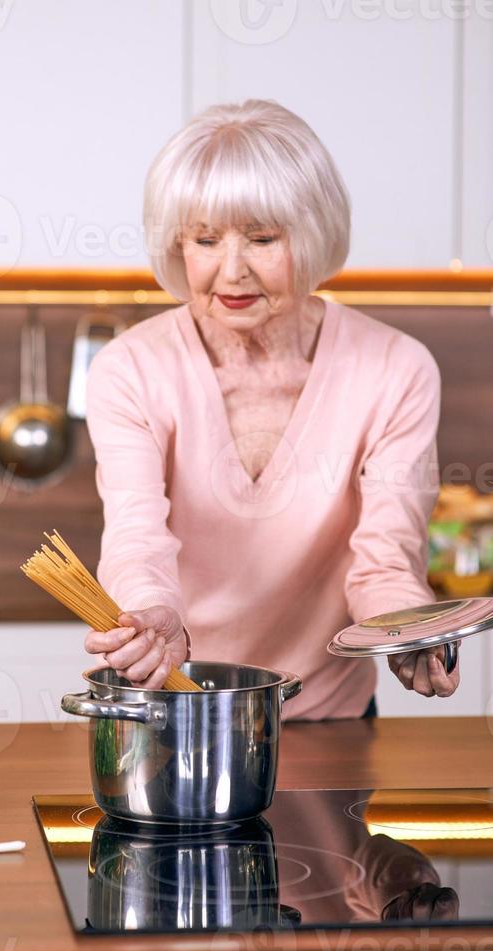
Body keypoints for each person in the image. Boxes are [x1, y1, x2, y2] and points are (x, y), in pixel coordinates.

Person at [83, 98, 460, 720]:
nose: (231, 272)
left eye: (262, 239)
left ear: (312, 238)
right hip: (176, 707)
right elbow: (136, 536)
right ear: (178, 244)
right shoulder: (130, 369)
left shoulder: (396, 369)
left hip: (329, 720)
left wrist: (406, 629)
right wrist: (155, 615)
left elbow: (387, 555)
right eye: (205, 239)